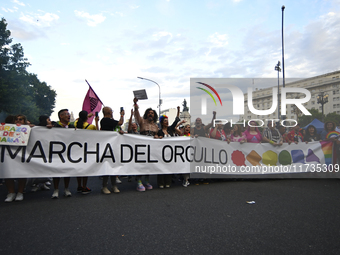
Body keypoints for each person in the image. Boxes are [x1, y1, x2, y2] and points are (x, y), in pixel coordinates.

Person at [133, 97, 159, 191]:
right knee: (141, 164)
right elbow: (136, 115)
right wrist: (135, 105)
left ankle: (147, 181)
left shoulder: (156, 126)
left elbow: (160, 136)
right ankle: (139, 181)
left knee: (148, 164)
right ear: (146, 114)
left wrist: (158, 136)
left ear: (154, 115)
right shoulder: (142, 122)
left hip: (151, 148)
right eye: (149, 112)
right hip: (142, 146)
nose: (150, 114)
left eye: (152, 113)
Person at [50, 109, 75, 199]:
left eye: (69, 114)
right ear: (61, 116)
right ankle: (56, 189)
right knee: (56, 170)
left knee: (67, 170)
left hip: (68, 152)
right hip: (57, 151)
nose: (69, 116)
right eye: (66, 114)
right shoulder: (55, 125)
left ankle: (66, 189)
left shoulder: (71, 127)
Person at [3, 114, 28, 202]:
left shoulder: (29, 129)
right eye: (16, 119)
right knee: (8, 173)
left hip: (22, 154)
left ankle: (20, 192)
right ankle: (11, 193)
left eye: (20, 119)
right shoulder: (7, 129)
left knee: (21, 173)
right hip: (8, 154)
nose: (18, 121)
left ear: (24, 122)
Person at [100, 106, 124, 194]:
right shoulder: (105, 120)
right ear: (108, 112)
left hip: (112, 145)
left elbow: (116, 128)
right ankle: (104, 186)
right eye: (111, 111)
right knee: (107, 166)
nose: (112, 112)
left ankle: (114, 185)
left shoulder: (106, 121)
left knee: (113, 165)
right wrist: (122, 115)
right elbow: (120, 123)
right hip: (108, 146)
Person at [74, 110, 99, 194]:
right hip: (86, 149)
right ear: (86, 117)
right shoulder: (91, 126)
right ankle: (84, 186)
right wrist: (96, 121)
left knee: (78, 168)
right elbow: (99, 134)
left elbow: (77, 120)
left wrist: (87, 116)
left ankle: (79, 186)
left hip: (76, 149)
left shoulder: (75, 124)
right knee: (85, 169)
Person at [156, 106, 181, 188]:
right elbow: (154, 138)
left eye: (167, 121)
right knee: (161, 167)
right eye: (165, 121)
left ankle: (168, 182)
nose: (167, 122)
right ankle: (160, 183)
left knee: (169, 167)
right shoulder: (159, 131)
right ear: (162, 123)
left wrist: (178, 110)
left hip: (170, 152)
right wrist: (158, 137)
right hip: (162, 153)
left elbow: (176, 120)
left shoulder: (170, 129)